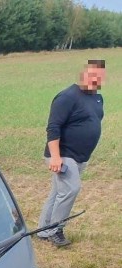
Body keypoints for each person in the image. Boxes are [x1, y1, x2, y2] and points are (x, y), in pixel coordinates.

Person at [37, 59, 105, 247]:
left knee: (57, 193)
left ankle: (43, 229)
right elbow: (53, 127)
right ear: (83, 74)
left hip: (80, 156)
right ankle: (55, 230)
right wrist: (56, 157)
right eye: (91, 75)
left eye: (99, 77)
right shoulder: (67, 96)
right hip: (63, 154)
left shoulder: (97, 98)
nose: (94, 80)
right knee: (70, 189)